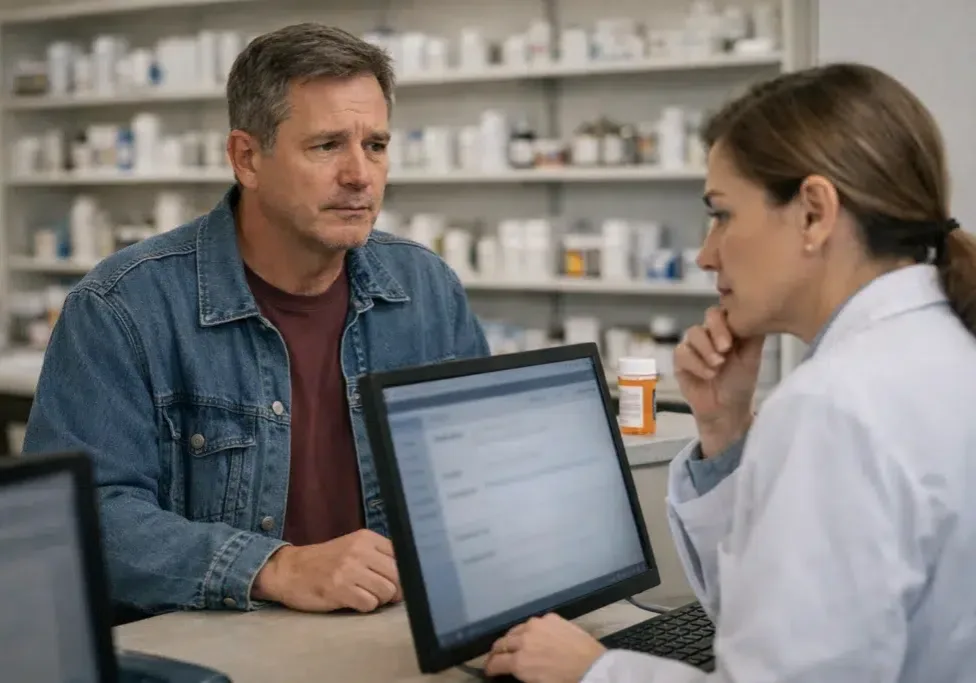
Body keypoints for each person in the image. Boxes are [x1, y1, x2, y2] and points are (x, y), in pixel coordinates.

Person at [483, 62, 976, 683]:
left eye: (722, 214)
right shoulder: (944, 343)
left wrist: (595, 671)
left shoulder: (834, 405)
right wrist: (726, 433)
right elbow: (779, 622)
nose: (705, 252)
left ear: (814, 212)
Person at [21, 23, 489, 621]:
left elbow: (478, 474)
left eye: (374, 144)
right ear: (247, 157)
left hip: (392, 632)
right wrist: (274, 567)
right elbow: (81, 517)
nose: (359, 174)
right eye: (326, 146)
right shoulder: (123, 306)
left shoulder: (426, 289)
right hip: (218, 647)